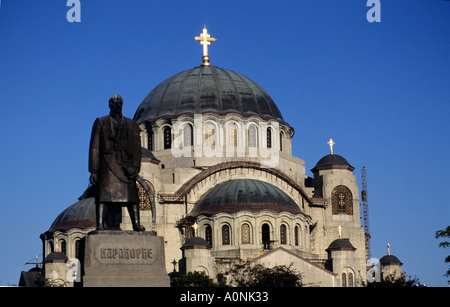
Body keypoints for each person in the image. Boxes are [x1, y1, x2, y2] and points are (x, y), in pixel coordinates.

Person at [89, 95, 145, 231]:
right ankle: (101, 224)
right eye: (114, 103)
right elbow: (94, 148)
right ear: (110, 105)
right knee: (104, 195)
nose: (117, 105)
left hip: (125, 163)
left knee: (131, 195)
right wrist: (94, 170)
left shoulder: (131, 124)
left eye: (120, 103)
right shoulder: (101, 122)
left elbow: (137, 148)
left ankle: (136, 224)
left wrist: (135, 167)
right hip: (107, 163)